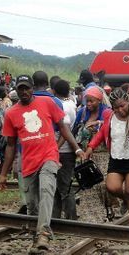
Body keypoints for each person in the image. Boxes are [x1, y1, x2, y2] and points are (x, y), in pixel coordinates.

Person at [0, 75, 82, 251]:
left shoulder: (47, 103)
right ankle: (37, 238)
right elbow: (11, 146)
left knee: (47, 190)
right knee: (32, 205)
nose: (24, 92)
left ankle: (43, 234)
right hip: (28, 163)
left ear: (32, 88)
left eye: (27, 88)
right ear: (17, 90)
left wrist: (77, 149)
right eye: (20, 89)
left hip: (49, 156)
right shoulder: (11, 113)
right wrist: (3, 174)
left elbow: (64, 128)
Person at [82, 87, 129, 226]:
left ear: (128, 102)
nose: (120, 110)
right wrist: (90, 148)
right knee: (112, 187)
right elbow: (100, 134)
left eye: (122, 106)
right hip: (117, 158)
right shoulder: (109, 116)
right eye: (116, 108)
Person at [52, 79, 78, 220]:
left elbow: (64, 130)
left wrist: (55, 148)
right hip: (67, 151)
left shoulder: (61, 106)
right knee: (60, 187)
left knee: (64, 187)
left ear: (54, 91)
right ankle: (56, 217)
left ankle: (71, 218)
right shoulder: (72, 104)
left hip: (62, 151)